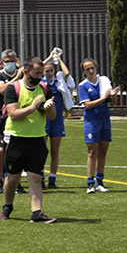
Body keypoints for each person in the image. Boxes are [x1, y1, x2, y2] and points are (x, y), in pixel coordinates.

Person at [0, 56, 57, 223]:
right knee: (13, 178)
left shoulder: (44, 88)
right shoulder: (13, 88)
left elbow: (52, 116)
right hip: (16, 139)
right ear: (26, 71)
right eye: (36, 73)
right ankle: (8, 206)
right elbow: (14, 115)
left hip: (37, 138)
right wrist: (33, 107)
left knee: (35, 177)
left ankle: (36, 213)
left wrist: (48, 108)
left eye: (41, 73)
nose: (39, 77)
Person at [78, 57, 119, 194]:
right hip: (92, 121)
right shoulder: (83, 86)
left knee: (103, 152)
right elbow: (88, 105)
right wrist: (103, 98)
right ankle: (90, 183)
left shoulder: (104, 81)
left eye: (92, 67)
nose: (91, 70)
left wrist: (113, 95)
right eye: (87, 69)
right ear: (83, 71)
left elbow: (113, 102)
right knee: (92, 151)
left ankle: (100, 182)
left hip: (105, 119)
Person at [41, 47, 76, 190]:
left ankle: (52, 179)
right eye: (46, 71)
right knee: (42, 150)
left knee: (55, 151)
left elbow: (66, 73)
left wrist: (59, 59)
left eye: (51, 70)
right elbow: (35, 68)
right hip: (44, 118)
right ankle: (40, 177)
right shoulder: (40, 82)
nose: (49, 73)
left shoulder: (59, 80)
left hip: (57, 118)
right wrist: (50, 57)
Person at [0, 49, 24, 194]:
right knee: (0, 149)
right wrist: (17, 77)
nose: (9, 64)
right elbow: (2, 90)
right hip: (1, 115)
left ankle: (15, 181)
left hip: (17, 114)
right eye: (7, 61)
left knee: (17, 150)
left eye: (12, 61)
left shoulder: (23, 74)